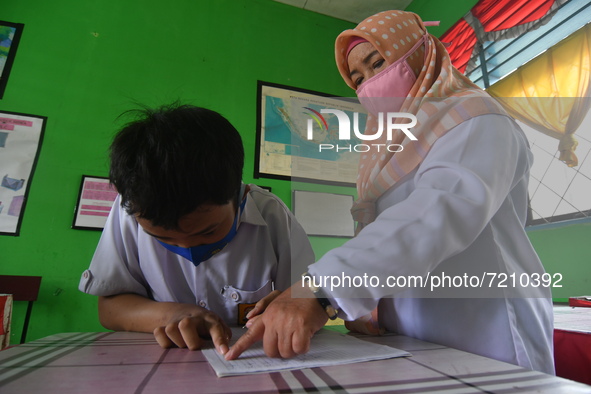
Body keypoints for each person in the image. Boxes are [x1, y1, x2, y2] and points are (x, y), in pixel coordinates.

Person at [226, 10, 555, 375]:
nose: (370, 83)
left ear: (419, 53)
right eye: (358, 78)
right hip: (415, 337)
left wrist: (321, 293)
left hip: (489, 330)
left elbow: (434, 216)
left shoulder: (477, 119)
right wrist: (308, 299)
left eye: (378, 63)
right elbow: (389, 240)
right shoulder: (388, 151)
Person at [78, 103, 314, 355]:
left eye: (208, 232)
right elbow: (110, 308)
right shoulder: (131, 209)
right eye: (162, 237)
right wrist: (172, 314)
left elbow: (310, 295)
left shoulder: (272, 215)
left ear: (239, 194)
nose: (187, 246)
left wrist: (294, 305)